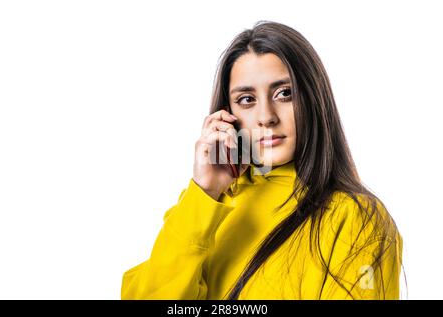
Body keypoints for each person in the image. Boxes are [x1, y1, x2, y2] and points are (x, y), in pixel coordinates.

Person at [121, 20, 403, 300]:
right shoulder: (203, 208)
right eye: (246, 99)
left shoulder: (355, 217)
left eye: (284, 94)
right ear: (226, 113)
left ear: (313, 99)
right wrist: (205, 191)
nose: (266, 116)